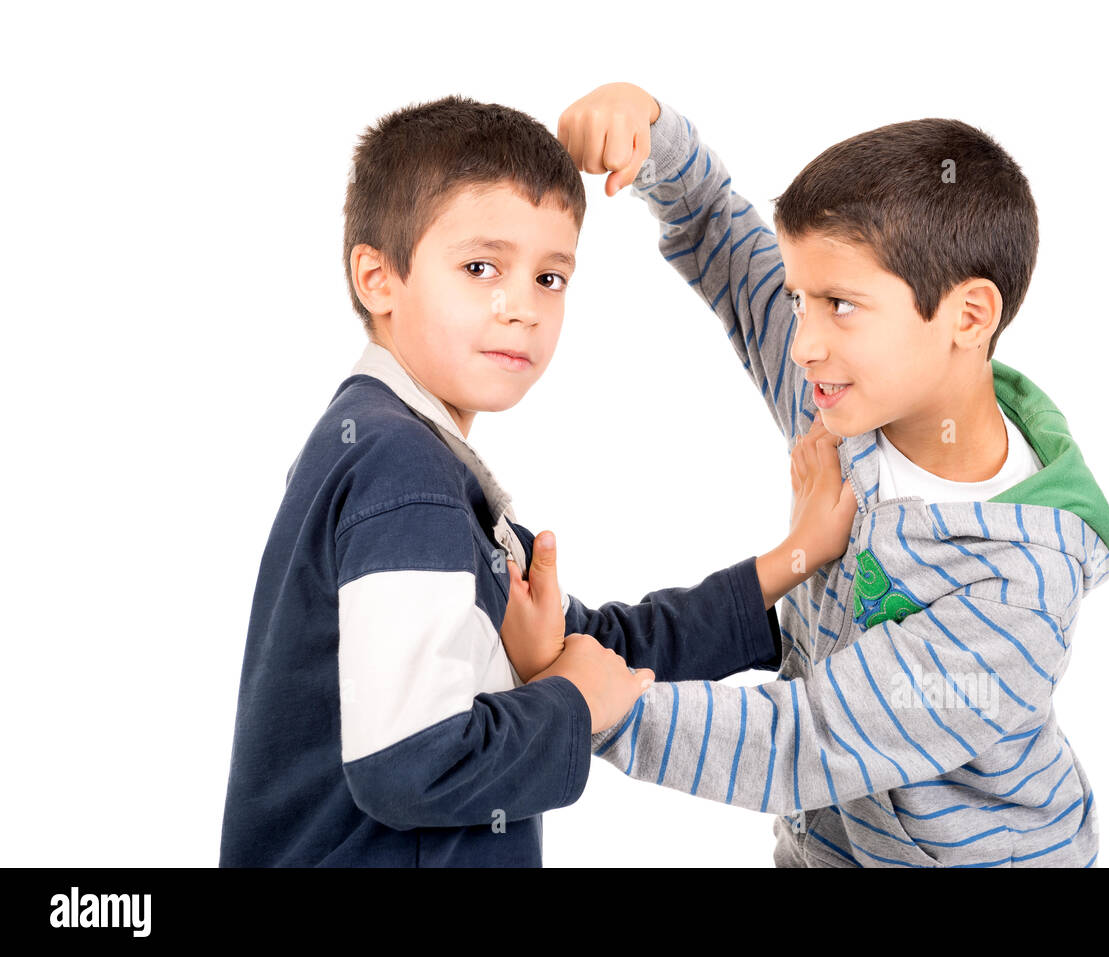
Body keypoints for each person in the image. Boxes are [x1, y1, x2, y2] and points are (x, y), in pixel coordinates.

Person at [218, 93, 856, 867]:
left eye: (551, 278)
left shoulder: (395, 450)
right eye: (481, 267)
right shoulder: (401, 469)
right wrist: (574, 699)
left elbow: (588, 644)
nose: (520, 306)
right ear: (378, 277)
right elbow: (410, 766)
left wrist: (793, 558)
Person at [552, 83, 1109, 867]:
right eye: (798, 298)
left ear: (969, 315)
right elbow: (726, 240)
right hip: (825, 846)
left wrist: (601, 711)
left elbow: (810, 739)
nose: (803, 342)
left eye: (839, 304)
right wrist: (652, 134)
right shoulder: (847, 404)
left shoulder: (1019, 585)